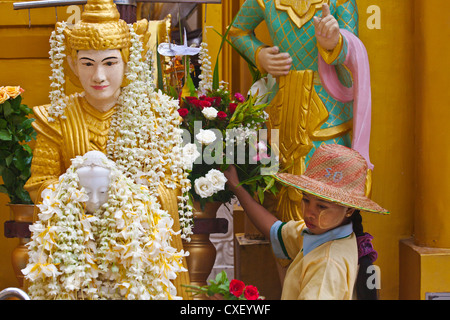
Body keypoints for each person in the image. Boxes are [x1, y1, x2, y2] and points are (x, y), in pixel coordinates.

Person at [23, 0, 191, 298]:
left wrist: (126, 202)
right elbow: (40, 186)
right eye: (88, 63)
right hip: (74, 249)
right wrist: (78, 198)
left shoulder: (155, 115)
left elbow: (171, 187)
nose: (98, 76)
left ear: (128, 61)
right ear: (73, 64)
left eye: (109, 63)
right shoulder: (55, 118)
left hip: (137, 254)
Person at [229, 0, 374, 236]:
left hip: (328, 113)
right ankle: (289, 266)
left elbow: (351, 48)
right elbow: (237, 31)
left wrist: (335, 42)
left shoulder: (340, 1)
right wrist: (260, 54)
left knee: (329, 195)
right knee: (279, 195)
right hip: (281, 107)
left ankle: (328, 264)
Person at [224, 144, 389, 299]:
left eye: (321, 206)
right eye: (305, 200)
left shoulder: (327, 264)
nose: (310, 212)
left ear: (349, 210)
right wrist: (237, 188)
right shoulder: (322, 234)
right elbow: (275, 230)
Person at [23, 151, 187, 300]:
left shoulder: (131, 225)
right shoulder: (60, 227)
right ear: (73, 191)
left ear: (115, 189)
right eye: (86, 193)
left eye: (102, 192)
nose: (94, 200)